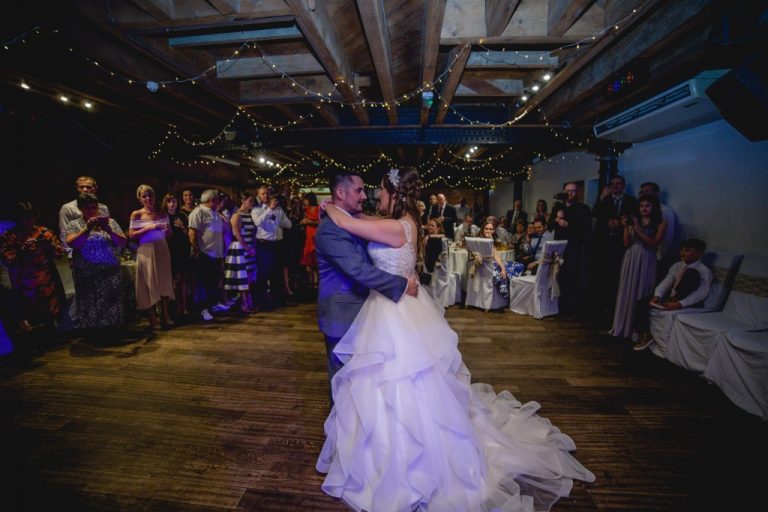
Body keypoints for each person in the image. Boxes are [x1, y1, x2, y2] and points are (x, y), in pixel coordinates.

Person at [317, 167, 594, 512]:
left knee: (396, 380)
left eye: (378, 192)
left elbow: (348, 226)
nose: (373, 198)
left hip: (393, 310)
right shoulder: (405, 222)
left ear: (394, 194)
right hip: (396, 307)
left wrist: (328, 207)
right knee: (401, 380)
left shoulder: (388, 226)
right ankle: (369, 445)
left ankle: (398, 459)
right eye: (363, 192)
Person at [314, 170, 419, 405]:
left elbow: (354, 222)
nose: (365, 196)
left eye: (371, 190)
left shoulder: (364, 221)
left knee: (367, 381)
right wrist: (402, 284)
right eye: (359, 190)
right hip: (343, 314)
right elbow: (359, 270)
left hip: (373, 311)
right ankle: (343, 436)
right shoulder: (331, 229)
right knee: (343, 382)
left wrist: (329, 206)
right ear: (340, 192)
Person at [632, 238, 712, 351]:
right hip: (672, 295)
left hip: (686, 300)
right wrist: (657, 296)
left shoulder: (703, 271)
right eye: (682, 250)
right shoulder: (678, 265)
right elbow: (667, 281)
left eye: (687, 250)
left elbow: (701, 293)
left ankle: (674, 302)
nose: (682, 252)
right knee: (641, 303)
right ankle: (645, 334)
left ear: (699, 253)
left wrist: (681, 304)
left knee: (692, 274)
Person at [0, 201, 66, 332]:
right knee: (28, 314)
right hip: (22, 280)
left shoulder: (44, 232)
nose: (29, 220)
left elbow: (59, 253)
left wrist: (48, 246)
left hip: (46, 279)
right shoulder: (9, 236)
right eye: (25, 217)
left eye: (32, 217)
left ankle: (50, 336)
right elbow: (8, 260)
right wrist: (21, 251)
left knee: (49, 312)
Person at [65, 193, 127, 330]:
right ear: (81, 209)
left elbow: (122, 242)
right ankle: (93, 332)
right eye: (88, 208)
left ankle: (112, 330)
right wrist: (87, 229)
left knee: (110, 301)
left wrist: (109, 230)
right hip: (87, 274)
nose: (92, 211)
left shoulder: (110, 222)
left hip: (110, 273)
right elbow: (73, 243)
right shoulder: (74, 224)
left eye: (94, 207)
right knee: (90, 302)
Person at [609, 194, 667, 339]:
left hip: (647, 257)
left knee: (643, 290)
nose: (644, 209)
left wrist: (637, 228)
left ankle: (637, 332)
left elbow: (654, 243)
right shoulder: (634, 220)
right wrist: (626, 227)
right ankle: (623, 327)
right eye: (641, 206)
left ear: (654, 207)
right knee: (627, 289)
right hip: (631, 256)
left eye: (647, 206)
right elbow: (626, 243)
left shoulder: (661, 222)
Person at [129, 185, 175, 329]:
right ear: (140, 198)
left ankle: (165, 315)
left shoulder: (161, 213)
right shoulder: (137, 214)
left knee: (164, 281)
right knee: (149, 282)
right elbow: (131, 235)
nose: (148, 199)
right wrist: (148, 228)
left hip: (162, 248)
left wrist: (167, 230)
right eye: (144, 196)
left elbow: (169, 233)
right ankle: (153, 319)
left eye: (150, 196)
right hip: (147, 250)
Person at [58, 176, 110, 252]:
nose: (85, 190)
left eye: (89, 187)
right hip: (77, 249)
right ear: (76, 188)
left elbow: (108, 229)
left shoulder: (103, 208)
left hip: (100, 249)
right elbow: (64, 232)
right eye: (81, 187)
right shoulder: (68, 208)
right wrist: (69, 252)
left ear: (95, 189)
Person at [162, 193, 193, 318]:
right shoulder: (163, 216)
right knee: (175, 279)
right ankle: (175, 308)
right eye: (169, 202)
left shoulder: (182, 215)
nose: (171, 204)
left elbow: (188, 234)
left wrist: (182, 227)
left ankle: (184, 307)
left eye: (173, 201)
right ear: (165, 203)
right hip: (170, 250)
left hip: (182, 249)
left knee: (184, 278)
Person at [300, 192, 320, 288]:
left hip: (315, 238)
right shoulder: (305, 209)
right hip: (307, 239)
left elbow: (320, 222)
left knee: (316, 265)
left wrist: (309, 221)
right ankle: (311, 286)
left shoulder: (318, 209)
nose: (305, 201)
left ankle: (316, 287)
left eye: (306, 199)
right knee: (308, 266)